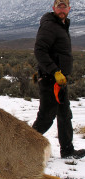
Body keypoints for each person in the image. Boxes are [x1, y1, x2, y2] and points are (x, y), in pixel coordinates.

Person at [32, 0, 85, 159]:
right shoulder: (50, 25)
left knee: (64, 114)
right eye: (59, 6)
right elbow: (39, 50)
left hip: (59, 80)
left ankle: (67, 150)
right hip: (51, 80)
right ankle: (22, 146)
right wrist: (54, 71)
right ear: (54, 8)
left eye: (65, 6)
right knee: (46, 118)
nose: (62, 9)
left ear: (69, 8)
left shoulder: (61, 25)